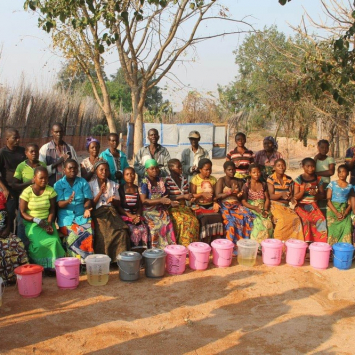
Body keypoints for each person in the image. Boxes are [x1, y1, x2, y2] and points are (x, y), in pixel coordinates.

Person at [19, 166, 65, 272]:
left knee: (54, 241)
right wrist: (36, 220)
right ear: (34, 178)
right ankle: (41, 266)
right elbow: (22, 212)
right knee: (39, 245)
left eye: (46, 178)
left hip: (47, 221)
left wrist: (49, 223)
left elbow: (53, 210)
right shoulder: (27, 192)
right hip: (32, 222)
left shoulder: (50, 191)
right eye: (41, 178)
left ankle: (53, 266)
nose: (44, 180)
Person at [89, 160, 130, 261]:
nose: (104, 172)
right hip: (98, 214)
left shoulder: (114, 185)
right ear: (96, 172)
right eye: (101, 169)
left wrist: (113, 200)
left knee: (122, 232)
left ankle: (119, 259)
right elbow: (91, 205)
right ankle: (104, 260)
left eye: (106, 170)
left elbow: (118, 203)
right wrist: (100, 193)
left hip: (111, 213)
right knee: (104, 232)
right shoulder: (90, 185)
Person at [54, 160, 94, 263]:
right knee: (73, 234)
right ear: (64, 170)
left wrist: (86, 209)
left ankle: (85, 263)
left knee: (88, 232)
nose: (72, 170)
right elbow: (59, 204)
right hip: (66, 219)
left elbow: (88, 199)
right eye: (70, 168)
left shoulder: (82, 182)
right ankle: (72, 262)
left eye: (75, 168)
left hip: (82, 216)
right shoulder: (59, 184)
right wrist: (68, 201)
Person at [216, 161, 254, 253]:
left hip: (237, 205)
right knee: (231, 222)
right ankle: (231, 248)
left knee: (248, 217)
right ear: (225, 170)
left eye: (233, 169)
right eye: (229, 170)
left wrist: (240, 194)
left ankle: (244, 245)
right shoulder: (222, 180)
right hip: (225, 205)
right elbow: (217, 195)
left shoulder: (239, 181)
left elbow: (242, 197)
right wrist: (230, 192)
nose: (232, 171)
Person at [139, 159, 176, 249]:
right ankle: (155, 251)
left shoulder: (162, 181)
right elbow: (144, 200)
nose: (155, 170)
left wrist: (170, 202)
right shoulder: (144, 182)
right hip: (149, 211)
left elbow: (166, 196)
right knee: (155, 226)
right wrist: (160, 200)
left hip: (161, 210)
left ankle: (168, 249)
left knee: (168, 222)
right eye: (152, 168)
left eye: (156, 168)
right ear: (147, 170)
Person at [267, 159, 304, 242]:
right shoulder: (271, 178)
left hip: (285, 206)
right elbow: (271, 196)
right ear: (274, 167)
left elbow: (291, 194)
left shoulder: (289, 179)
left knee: (296, 219)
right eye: (278, 165)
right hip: (275, 205)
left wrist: (291, 199)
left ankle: (293, 244)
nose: (281, 167)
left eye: (283, 165)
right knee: (282, 220)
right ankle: (278, 242)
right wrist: (281, 194)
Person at [165, 159, 200, 247]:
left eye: (181, 167)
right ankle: (181, 246)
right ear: (171, 168)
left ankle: (191, 246)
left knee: (194, 220)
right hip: (172, 207)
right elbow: (167, 197)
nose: (181, 169)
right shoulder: (167, 180)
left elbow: (186, 194)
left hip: (183, 206)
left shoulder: (183, 179)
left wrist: (190, 198)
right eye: (178, 167)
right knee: (182, 220)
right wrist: (183, 197)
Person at [294, 158, 327, 243]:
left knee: (321, 219)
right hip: (301, 206)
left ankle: (318, 243)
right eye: (308, 166)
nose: (310, 168)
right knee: (306, 220)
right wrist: (303, 190)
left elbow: (322, 195)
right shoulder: (299, 179)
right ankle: (305, 242)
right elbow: (296, 197)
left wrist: (316, 194)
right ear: (303, 166)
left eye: (312, 166)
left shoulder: (318, 179)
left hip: (313, 205)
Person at [190, 158, 224, 244]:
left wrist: (216, 202)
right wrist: (201, 194)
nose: (209, 171)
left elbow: (216, 195)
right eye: (206, 170)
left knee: (218, 217)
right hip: (198, 204)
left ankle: (213, 242)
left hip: (210, 204)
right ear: (200, 169)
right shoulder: (195, 179)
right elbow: (191, 196)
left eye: (210, 169)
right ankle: (203, 242)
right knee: (204, 219)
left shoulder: (213, 179)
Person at [0, 128, 26, 232]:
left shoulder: (23, 151)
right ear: (7, 139)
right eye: (15, 138)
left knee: (22, 216)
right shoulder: (2, 153)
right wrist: (4, 189)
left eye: (18, 137)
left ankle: (20, 242)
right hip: (9, 190)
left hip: (22, 189)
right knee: (10, 215)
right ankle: (9, 242)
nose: (18, 140)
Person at [0, 190, 28, 285]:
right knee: (3, 247)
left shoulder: (1, 197)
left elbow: (8, 215)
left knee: (17, 242)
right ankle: (5, 278)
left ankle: (19, 275)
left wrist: (7, 229)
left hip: (4, 232)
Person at [118, 167, 149, 251]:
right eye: (127, 174)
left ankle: (141, 253)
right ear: (123, 176)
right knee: (132, 229)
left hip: (136, 215)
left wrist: (137, 216)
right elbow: (119, 207)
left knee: (144, 228)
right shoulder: (120, 189)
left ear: (135, 175)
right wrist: (131, 216)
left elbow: (139, 205)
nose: (130, 176)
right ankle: (132, 253)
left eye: (132, 174)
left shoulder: (137, 188)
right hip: (125, 215)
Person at [242, 164, 274, 244]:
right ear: (249, 173)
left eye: (258, 172)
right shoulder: (247, 185)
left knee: (268, 222)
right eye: (254, 172)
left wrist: (266, 209)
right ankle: (257, 244)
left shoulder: (263, 184)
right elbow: (243, 201)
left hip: (262, 207)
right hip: (251, 207)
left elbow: (267, 199)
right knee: (258, 223)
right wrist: (254, 207)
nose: (257, 174)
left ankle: (266, 244)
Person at [39, 122, 79, 186]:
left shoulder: (70, 148)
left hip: (68, 186)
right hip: (50, 186)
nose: (59, 134)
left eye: (60, 132)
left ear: (63, 132)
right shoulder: (45, 149)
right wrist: (59, 161)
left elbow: (77, 168)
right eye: (56, 132)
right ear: (52, 132)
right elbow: (41, 170)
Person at [327, 165, 352, 245]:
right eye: (339, 172)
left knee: (347, 228)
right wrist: (336, 213)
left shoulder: (350, 187)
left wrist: (345, 213)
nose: (341, 174)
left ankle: (344, 251)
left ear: (348, 173)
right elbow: (328, 200)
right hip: (332, 211)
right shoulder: (332, 184)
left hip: (344, 211)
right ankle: (331, 252)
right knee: (332, 231)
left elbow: (351, 203)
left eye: (343, 171)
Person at [314, 139, 336, 217]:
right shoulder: (314, 159)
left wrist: (316, 174)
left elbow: (330, 172)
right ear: (318, 147)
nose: (324, 149)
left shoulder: (330, 159)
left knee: (325, 201)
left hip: (326, 184)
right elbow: (311, 169)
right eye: (322, 147)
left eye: (326, 148)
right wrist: (316, 158)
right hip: (315, 184)